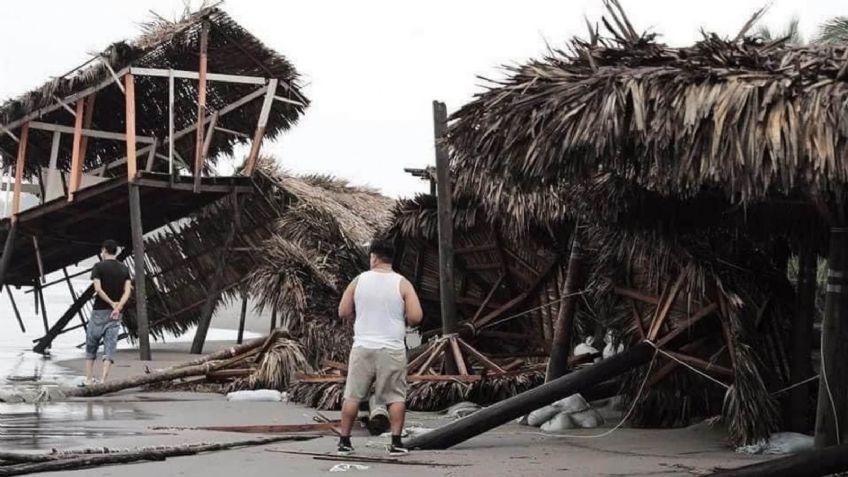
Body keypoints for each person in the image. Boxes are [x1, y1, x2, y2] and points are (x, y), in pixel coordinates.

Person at [337, 239, 423, 456]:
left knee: (353, 395)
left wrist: (360, 316)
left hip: (363, 346)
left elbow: (343, 311)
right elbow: (416, 316)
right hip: (392, 348)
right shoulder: (402, 283)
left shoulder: (358, 281)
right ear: (391, 258)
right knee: (395, 397)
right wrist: (402, 318)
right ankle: (395, 443)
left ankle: (344, 442)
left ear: (373, 257)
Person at [84, 239, 131, 385]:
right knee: (110, 346)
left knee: (91, 344)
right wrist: (118, 306)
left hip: (99, 311)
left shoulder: (98, 267)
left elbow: (98, 289)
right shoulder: (124, 269)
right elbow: (127, 291)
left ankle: (88, 379)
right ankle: (104, 379)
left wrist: (111, 303)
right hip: (115, 314)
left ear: (104, 250)